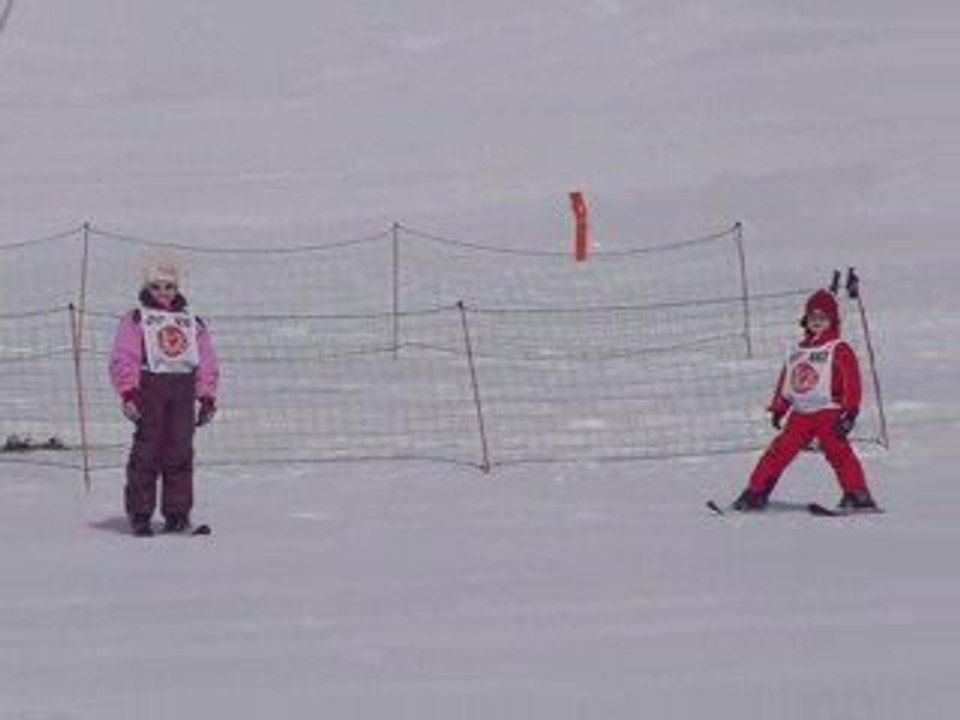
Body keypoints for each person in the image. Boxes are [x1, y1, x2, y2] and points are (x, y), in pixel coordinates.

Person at [732, 288, 877, 512]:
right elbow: (787, 380)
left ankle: (857, 494)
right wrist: (780, 407)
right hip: (800, 414)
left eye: (822, 318)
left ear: (833, 320)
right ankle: (755, 492)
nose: (817, 322)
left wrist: (850, 411)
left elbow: (851, 380)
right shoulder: (798, 351)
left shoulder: (838, 348)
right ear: (805, 320)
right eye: (812, 317)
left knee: (838, 452)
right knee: (778, 451)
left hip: (829, 411)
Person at [109, 260, 220, 536]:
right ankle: (140, 513)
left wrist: (206, 395)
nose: (163, 292)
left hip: (182, 391)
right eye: (156, 287)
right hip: (149, 388)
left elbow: (206, 360)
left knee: (180, 452)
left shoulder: (191, 322)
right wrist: (129, 392)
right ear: (147, 287)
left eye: (169, 286)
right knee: (147, 452)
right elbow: (124, 357)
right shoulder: (136, 319)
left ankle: (178, 514)